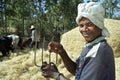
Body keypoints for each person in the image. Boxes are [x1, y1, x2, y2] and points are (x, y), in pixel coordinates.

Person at [41, 2, 115, 80]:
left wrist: (55, 75)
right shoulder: (91, 46)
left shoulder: (100, 50)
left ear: (99, 25)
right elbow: (77, 71)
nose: (84, 29)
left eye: (89, 25)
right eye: (81, 25)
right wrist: (62, 52)